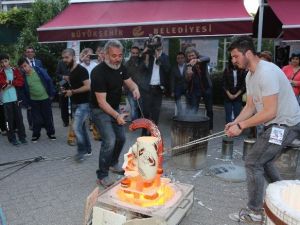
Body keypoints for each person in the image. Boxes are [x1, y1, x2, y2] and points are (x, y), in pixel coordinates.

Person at [225, 36, 300, 223]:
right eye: (232, 57)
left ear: (247, 53)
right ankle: (285, 196)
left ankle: (255, 212)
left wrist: (241, 126)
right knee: (263, 161)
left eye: (235, 56)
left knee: (252, 162)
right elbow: (250, 107)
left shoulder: (266, 72)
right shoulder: (250, 75)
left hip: (286, 124)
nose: (233, 61)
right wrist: (235, 122)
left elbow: (270, 111)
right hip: (274, 123)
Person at [90, 40, 140, 188]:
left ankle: (112, 163)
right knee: (110, 140)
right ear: (105, 54)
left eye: (120, 55)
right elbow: (101, 102)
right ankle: (102, 175)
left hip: (115, 107)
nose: (117, 59)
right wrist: (117, 116)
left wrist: (135, 89)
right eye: (114, 56)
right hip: (99, 110)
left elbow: (130, 83)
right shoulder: (98, 72)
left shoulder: (121, 68)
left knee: (121, 138)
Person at [62, 48, 91, 162]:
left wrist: (72, 91)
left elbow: (88, 86)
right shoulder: (71, 70)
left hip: (83, 104)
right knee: (82, 128)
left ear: (73, 57)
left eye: (67, 57)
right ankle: (88, 149)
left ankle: (81, 151)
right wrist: (66, 89)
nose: (64, 60)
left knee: (76, 127)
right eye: (63, 58)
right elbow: (74, 85)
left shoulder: (81, 70)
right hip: (75, 103)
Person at [18, 57, 56, 143]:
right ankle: (36, 134)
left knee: (48, 117)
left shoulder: (39, 70)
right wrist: (26, 104)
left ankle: (51, 133)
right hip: (33, 101)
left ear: (29, 63)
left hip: (45, 98)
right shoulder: (23, 77)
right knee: (36, 119)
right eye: (22, 67)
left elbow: (49, 81)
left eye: (25, 66)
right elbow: (23, 92)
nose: (24, 69)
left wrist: (52, 94)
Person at [141, 35, 170, 132]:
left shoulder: (165, 57)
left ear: (162, 45)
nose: (156, 46)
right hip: (147, 88)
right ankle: (144, 132)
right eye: (154, 44)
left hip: (158, 88)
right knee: (145, 112)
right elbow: (141, 68)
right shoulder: (148, 56)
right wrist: (145, 54)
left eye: (157, 44)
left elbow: (167, 69)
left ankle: (153, 133)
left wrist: (159, 57)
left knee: (156, 113)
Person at [0, 54, 26, 145]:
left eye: (5, 61)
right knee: (8, 121)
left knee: (19, 119)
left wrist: (10, 82)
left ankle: (22, 137)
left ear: (9, 60)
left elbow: (21, 82)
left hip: (16, 99)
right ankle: (11, 138)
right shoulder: (0, 72)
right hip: (6, 100)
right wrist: (10, 83)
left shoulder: (15, 70)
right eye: (2, 62)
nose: (4, 63)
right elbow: (2, 84)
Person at [185, 47, 213, 132]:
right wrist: (189, 74)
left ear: (196, 54)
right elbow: (187, 80)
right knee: (194, 110)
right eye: (189, 56)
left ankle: (210, 128)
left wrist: (197, 61)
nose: (191, 57)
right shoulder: (187, 65)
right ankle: (194, 128)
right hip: (195, 90)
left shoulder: (201, 59)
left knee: (209, 109)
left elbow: (208, 58)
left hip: (206, 88)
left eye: (192, 55)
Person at [24, 46, 44, 130]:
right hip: (29, 87)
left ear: (34, 53)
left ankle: (40, 122)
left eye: (31, 51)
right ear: (25, 53)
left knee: (40, 105)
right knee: (30, 107)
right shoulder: (23, 62)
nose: (30, 53)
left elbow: (43, 73)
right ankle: (31, 124)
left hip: (39, 87)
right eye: (28, 52)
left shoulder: (39, 62)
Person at [125, 46, 146, 120]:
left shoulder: (142, 62)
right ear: (131, 53)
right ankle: (135, 123)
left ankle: (139, 120)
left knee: (141, 107)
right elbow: (124, 78)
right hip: (130, 90)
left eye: (136, 53)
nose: (135, 55)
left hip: (141, 89)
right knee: (133, 107)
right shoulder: (126, 64)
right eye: (133, 53)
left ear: (139, 53)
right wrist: (125, 89)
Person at [222, 57, 246, 123]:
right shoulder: (226, 70)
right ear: (230, 60)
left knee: (237, 115)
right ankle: (228, 131)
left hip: (238, 96)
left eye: (236, 58)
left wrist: (236, 95)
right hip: (227, 96)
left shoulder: (242, 70)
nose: (234, 60)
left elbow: (244, 85)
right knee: (228, 115)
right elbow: (224, 84)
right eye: (233, 58)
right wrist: (229, 94)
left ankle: (235, 131)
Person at [170, 52, 187, 116]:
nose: (180, 59)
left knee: (190, 98)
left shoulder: (188, 66)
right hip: (178, 88)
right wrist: (172, 91)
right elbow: (172, 80)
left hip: (187, 87)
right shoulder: (174, 68)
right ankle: (180, 114)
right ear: (176, 60)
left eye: (182, 58)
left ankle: (188, 113)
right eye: (178, 58)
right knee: (177, 98)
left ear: (184, 59)